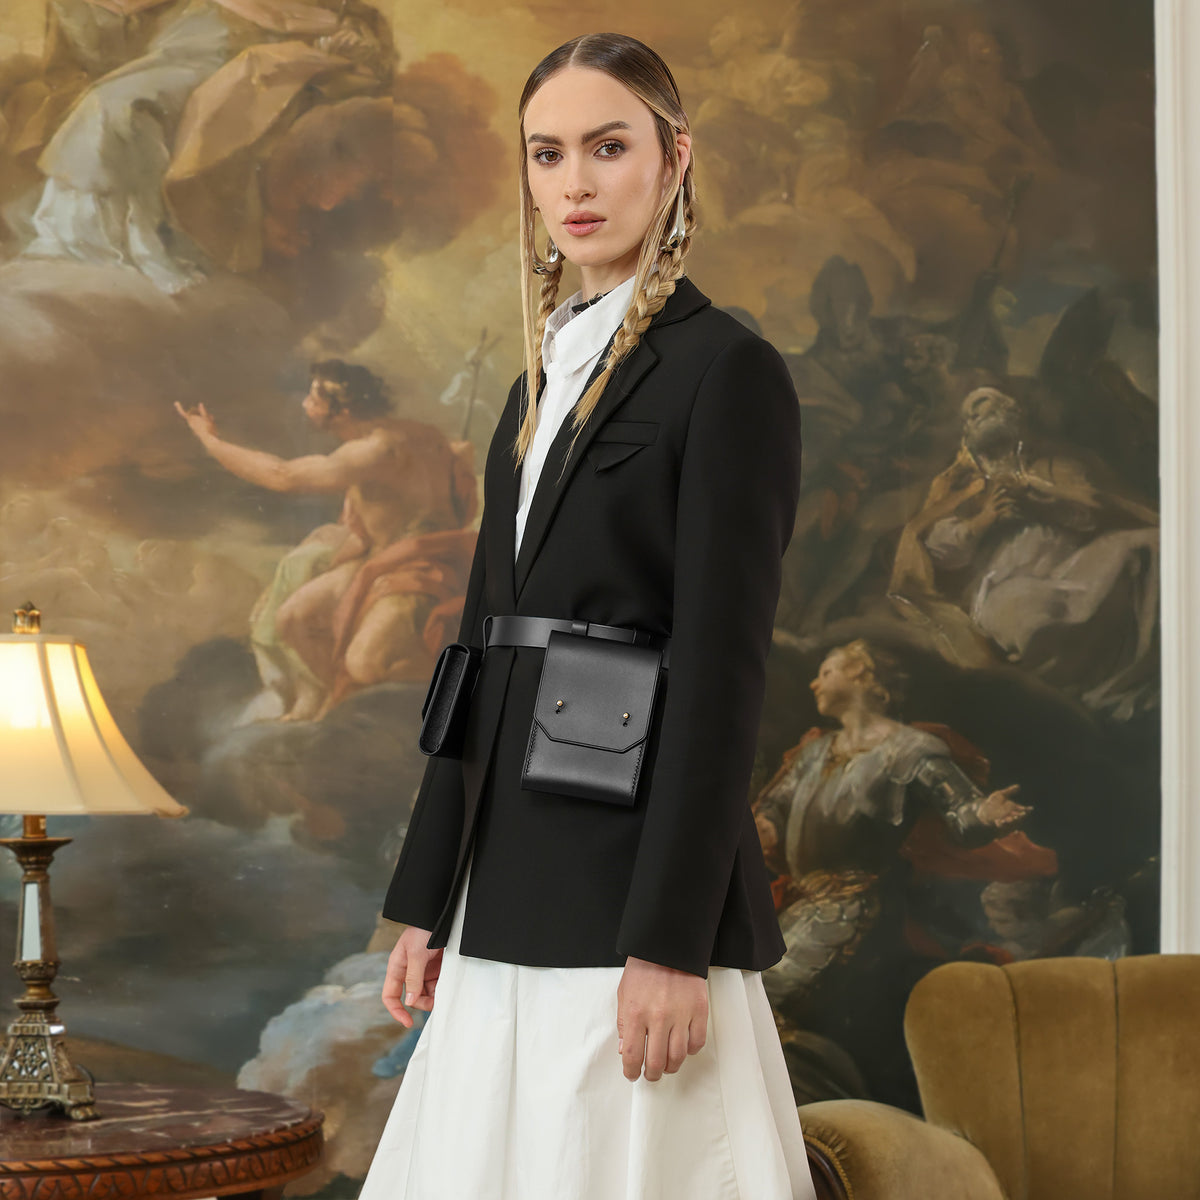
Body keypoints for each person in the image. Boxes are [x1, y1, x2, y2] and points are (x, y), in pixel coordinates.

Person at [360, 33, 816, 1200]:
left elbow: (719, 680)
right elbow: (478, 649)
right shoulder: (535, 380)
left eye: (608, 147)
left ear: (674, 159)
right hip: (499, 883)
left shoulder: (728, 370)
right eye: (547, 153)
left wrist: (669, 942)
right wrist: (422, 900)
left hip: (628, 902)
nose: (574, 183)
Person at [175, 360, 478, 720]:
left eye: (314, 397)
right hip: (382, 556)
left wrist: (209, 440)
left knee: (364, 664)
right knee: (294, 619)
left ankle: (417, 702)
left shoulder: (374, 449)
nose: (305, 403)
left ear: (343, 410)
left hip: (420, 561)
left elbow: (282, 475)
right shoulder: (412, 433)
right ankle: (335, 704)